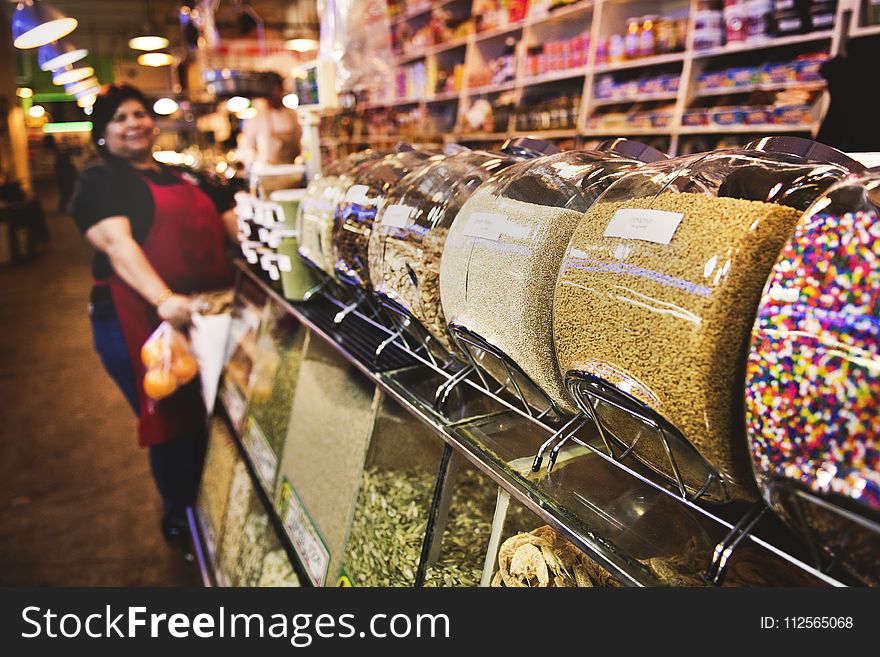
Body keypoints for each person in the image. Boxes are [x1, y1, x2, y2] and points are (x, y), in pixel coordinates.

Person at [68, 83, 239, 546]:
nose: (133, 124)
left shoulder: (188, 178)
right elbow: (117, 245)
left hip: (208, 314)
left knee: (215, 411)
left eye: (140, 114)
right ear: (102, 133)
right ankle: (181, 516)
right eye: (119, 118)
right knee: (170, 415)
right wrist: (163, 298)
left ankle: (215, 502)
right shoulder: (99, 180)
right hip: (138, 318)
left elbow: (235, 227)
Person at [236, 72, 302, 167]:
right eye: (271, 91)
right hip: (268, 175)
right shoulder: (256, 119)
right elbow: (245, 150)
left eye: (277, 90)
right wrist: (257, 160)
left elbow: (302, 141)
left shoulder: (293, 115)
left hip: (292, 171)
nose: (275, 94)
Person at [43, 134, 78, 213]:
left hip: (62, 174)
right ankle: (66, 207)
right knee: (68, 191)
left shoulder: (55, 151)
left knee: (64, 191)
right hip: (68, 174)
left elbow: (53, 164)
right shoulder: (59, 151)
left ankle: (64, 207)